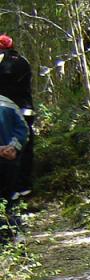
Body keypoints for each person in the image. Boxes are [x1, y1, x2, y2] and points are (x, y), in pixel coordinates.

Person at [0, 35, 32, 200]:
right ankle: (23, 187)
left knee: (8, 148)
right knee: (23, 147)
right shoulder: (23, 61)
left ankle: (12, 191)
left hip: (8, 111)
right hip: (23, 109)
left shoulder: (7, 62)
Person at [0, 90, 27, 242]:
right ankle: (15, 236)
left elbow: (23, 128)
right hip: (9, 160)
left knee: (7, 199)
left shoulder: (7, 103)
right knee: (8, 199)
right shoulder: (8, 103)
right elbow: (23, 129)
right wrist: (13, 147)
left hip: (7, 161)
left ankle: (9, 239)